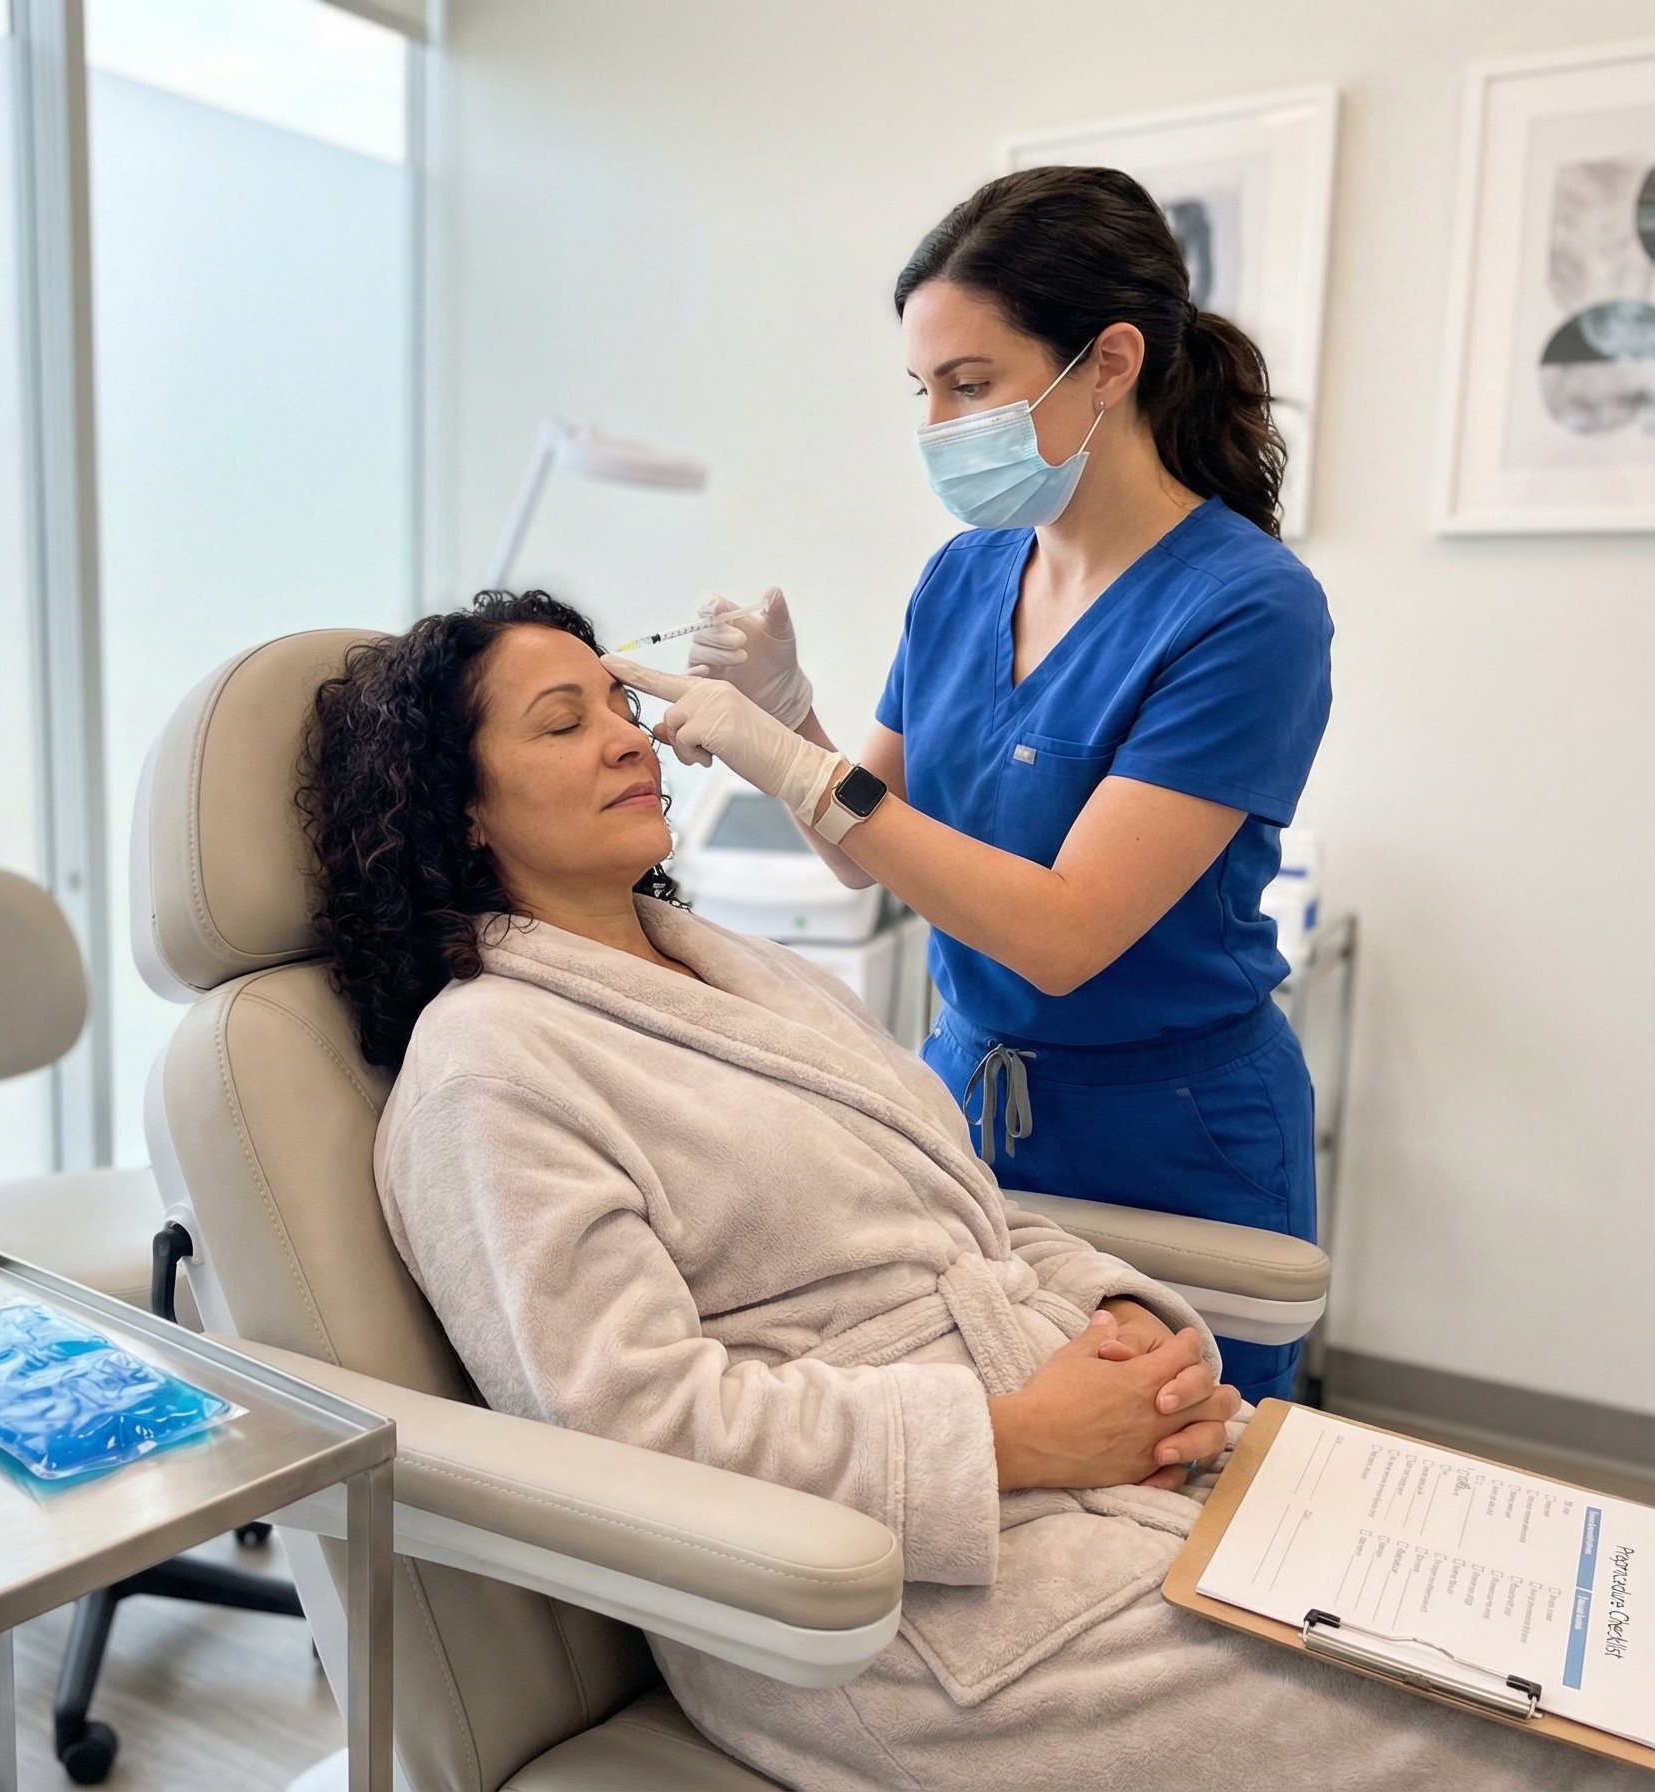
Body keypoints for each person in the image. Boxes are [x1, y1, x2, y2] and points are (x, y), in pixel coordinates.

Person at [299, 592, 1622, 1792]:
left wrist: (1124, 1330)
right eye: (560, 720)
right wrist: (1019, 1438)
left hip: (1077, 1464)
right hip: (888, 1607)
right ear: (459, 809)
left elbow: (969, 1214)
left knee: (1567, 1601)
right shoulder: (489, 1068)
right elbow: (628, 1427)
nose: (629, 737)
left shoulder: (745, 974)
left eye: (619, 702)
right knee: (1537, 1722)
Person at [608, 166, 1334, 1405]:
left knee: (1175, 1490)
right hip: (963, 1103)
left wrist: (789, 756)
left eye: (972, 384)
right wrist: (798, 717)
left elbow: (1061, 934)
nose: (941, 424)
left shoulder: (1247, 609)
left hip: (1170, 1134)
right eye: (925, 390)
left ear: (1109, 361)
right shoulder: (964, 577)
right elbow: (863, 849)